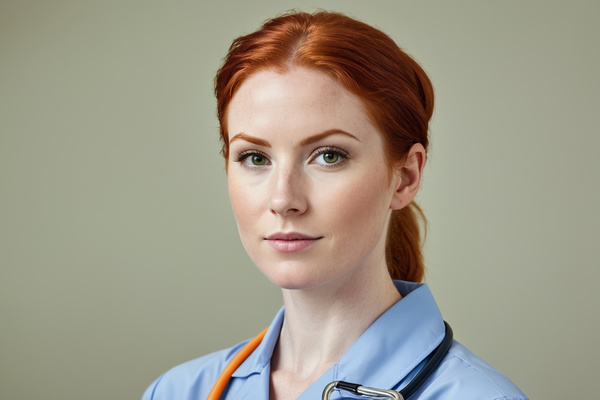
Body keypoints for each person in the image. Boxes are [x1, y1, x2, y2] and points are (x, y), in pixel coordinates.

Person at [142, 10, 528, 400]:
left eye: (328, 156)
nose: (283, 200)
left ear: (406, 177)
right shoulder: (178, 391)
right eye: (256, 158)